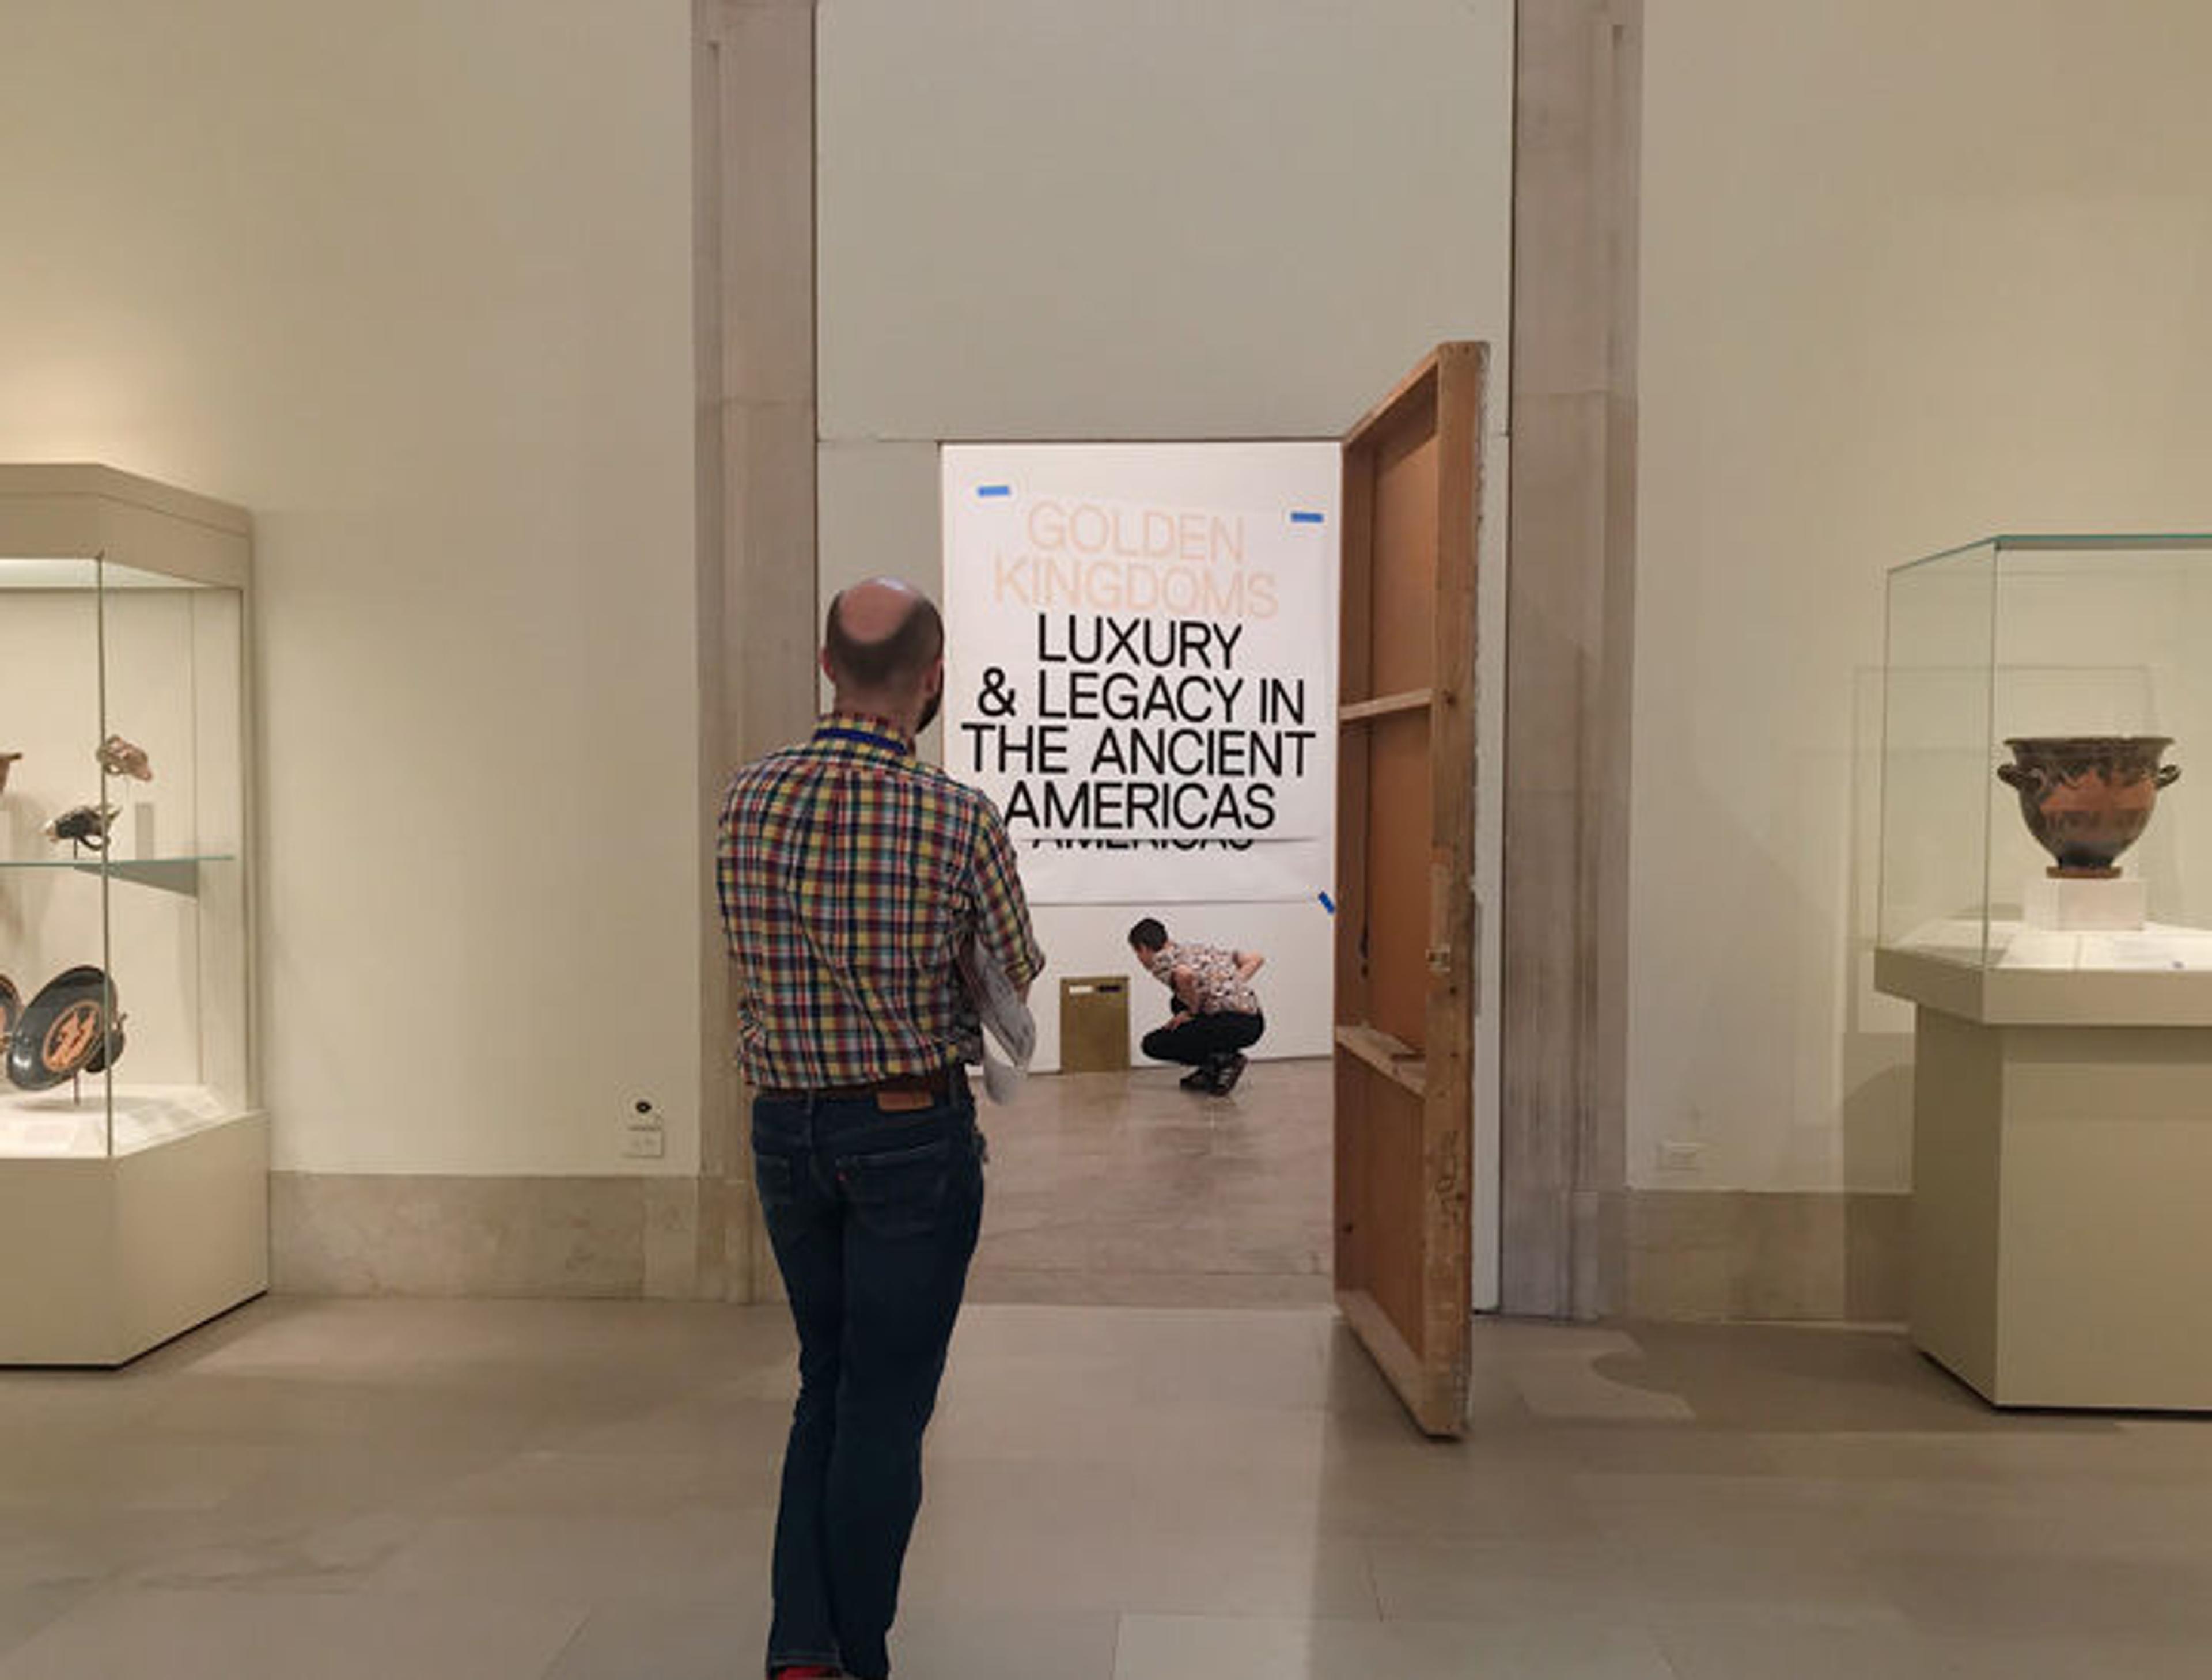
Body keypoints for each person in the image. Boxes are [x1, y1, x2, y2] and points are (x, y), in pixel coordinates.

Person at [719, 577, 1044, 1680]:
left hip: (785, 1132)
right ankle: (855, 1649)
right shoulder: (958, 817)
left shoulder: (744, 802)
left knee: (827, 1377)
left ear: (825, 667)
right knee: (887, 1403)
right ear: (934, 678)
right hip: (909, 1131)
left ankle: (800, 1646)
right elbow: (1017, 972)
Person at [1127, 917, 1265, 1094]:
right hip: (1255, 1021)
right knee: (1177, 1002)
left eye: (1136, 952)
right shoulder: (1196, 949)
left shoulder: (1160, 962)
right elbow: (1256, 959)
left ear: (1144, 948)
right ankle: (1213, 1069)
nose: (1139, 958)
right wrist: (1229, 985)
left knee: (1153, 1044)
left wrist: (1193, 1012)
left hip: (1232, 1024)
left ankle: (1225, 1061)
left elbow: (1185, 975)